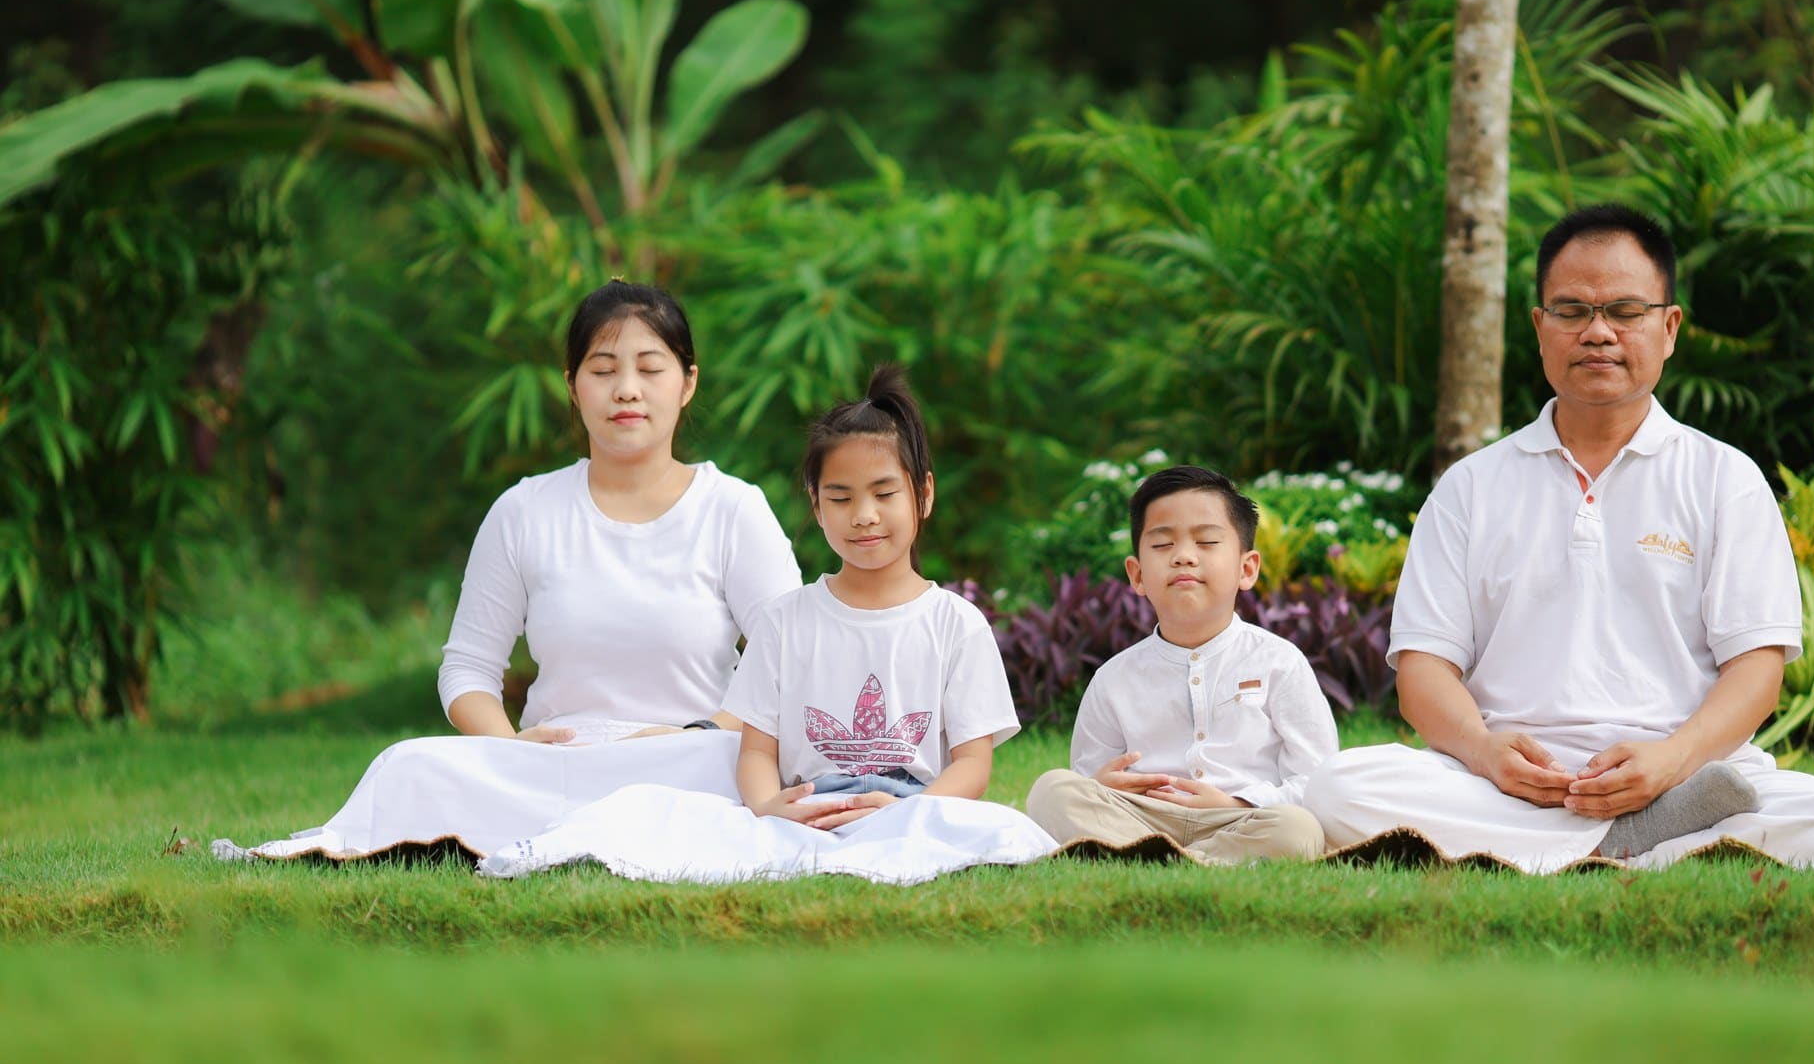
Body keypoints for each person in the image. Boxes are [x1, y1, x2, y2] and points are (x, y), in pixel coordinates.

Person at [1304, 205, 1814, 872]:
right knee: (1337, 787)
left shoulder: (1725, 479)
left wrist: (1669, 762)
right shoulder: (1470, 486)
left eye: (1624, 311)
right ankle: (1635, 847)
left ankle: (1592, 841)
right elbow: (1424, 670)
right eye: (1572, 311)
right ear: (1540, 328)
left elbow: (1757, 670)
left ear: (1669, 327)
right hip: (1505, 786)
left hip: (1682, 775)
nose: (1598, 332)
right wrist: (1487, 752)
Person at [216, 280, 802, 862]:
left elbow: (792, 659)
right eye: (602, 371)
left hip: (685, 760)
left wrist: (696, 734)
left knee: (735, 762)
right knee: (406, 763)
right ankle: (569, 828)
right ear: (572, 386)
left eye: (650, 369)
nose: (627, 390)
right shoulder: (525, 511)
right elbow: (467, 670)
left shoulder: (731, 509)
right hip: (552, 767)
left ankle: (576, 831)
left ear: (687, 383)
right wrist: (509, 750)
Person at [475, 367, 1055, 884]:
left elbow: (973, 765)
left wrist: (911, 811)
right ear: (815, 502)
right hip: (804, 805)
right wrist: (769, 808)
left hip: (915, 805)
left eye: (885, 493)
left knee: (1005, 833)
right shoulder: (786, 621)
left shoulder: (955, 623)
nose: (865, 516)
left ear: (922, 495)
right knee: (676, 823)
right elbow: (756, 752)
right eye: (842, 497)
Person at [1025, 465, 1337, 864]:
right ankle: (1187, 859)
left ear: (1247, 568)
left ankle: (1158, 862)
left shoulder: (1280, 663)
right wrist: (1102, 784)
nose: (1184, 557)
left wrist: (1239, 802)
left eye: (1206, 542)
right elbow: (1089, 780)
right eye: (1161, 546)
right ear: (1136, 575)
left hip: (1240, 819)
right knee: (1052, 790)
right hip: (1141, 818)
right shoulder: (1113, 679)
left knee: (1299, 829)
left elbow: (1317, 779)